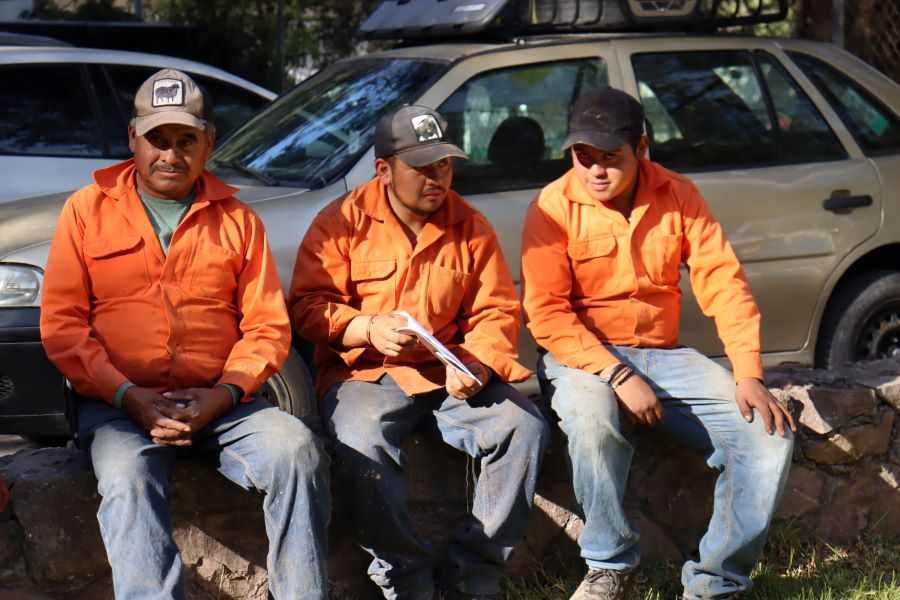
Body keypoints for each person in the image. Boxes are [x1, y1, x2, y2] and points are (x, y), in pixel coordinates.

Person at [40, 69, 330, 600]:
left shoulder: (239, 220)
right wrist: (129, 397)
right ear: (133, 139)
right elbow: (61, 327)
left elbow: (266, 327)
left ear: (209, 144)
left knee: (297, 451)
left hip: (224, 401)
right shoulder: (86, 211)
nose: (170, 155)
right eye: (157, 139)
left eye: (185, 141)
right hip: (117, 403)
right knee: (127, 476)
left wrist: (223, 396)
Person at [520, 87, 796, 600]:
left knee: (767, 434)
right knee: (590, 421)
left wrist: (749, 373)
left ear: (641, 149)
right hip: (583, 356)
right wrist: (619, 375)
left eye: (610, 158)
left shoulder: (679, 194)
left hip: (666, 359)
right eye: (584, 158)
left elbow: (724, 282)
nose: (595, 171)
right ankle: (609, 565)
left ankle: (717, 581)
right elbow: (547, 314)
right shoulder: (551, 207)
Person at [289, 105, 548, 600]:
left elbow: (495, 313)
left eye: (444, 165)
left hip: (447, 375)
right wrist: (364, 327)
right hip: (364, 377)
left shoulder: (471, 224)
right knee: (361, 440)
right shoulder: (340, 220)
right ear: (383, 170)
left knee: (526, 428)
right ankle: (405, 578)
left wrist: (478, 364)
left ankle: (472, 576)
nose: (437, 178)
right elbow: (306, 308)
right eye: (422, 167)